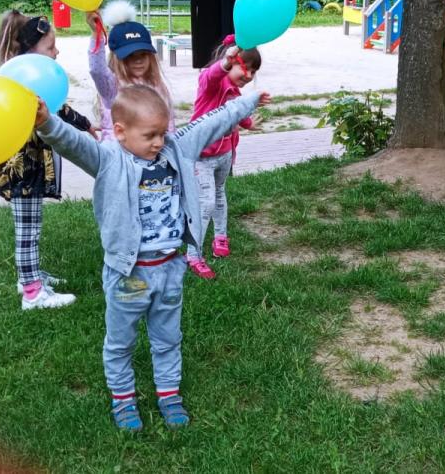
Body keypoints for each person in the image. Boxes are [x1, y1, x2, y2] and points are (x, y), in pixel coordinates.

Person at [34, 84, 269, 431]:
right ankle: (123, 399)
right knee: (121, 342)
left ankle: (169, 394)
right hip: (129, 274)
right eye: (150, 135)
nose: (159, 142)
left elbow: (211, 123)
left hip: (170, 269)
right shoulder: (108, 159)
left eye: (162, 132)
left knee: (168, 338)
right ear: (120, 132)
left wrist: (248, 101)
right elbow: (73, 143)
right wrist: (46, 123)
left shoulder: (176, 148)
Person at [0, 11, 97, 310]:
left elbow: (58, 109)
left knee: (30, 226)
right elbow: (57, 112)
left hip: (26, 164)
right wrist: (86, 126)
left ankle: (30, 277)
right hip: (21, 168)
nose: (56, 52)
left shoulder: (25, 83)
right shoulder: (22, 86)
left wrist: (87, 125)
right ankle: (32, 294)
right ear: (29, 53)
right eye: (50, 47)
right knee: (28, 230)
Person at [183, 35, 261, 279]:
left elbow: (237, 111)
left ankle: (220, 236)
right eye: (246, 68)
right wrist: (225, 63)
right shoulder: (211, 84)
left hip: (224, 153)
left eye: (254, 71)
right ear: (231, 62)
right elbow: (210, 76)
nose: (249, 75)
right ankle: (193, 254)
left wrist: (248, 123)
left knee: (219, 194)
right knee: (205, 203)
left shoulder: (235, 92)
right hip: (202, 156)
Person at [88, 1, 175, 141]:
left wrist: (171, 147)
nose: (138, 60)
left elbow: (168, 122)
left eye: (143, 54)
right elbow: (97, 70)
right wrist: (96, 34)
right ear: (117, 58)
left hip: (151, 152)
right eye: (130, 56)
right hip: (118, 151)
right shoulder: (112, 86)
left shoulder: (157, 85)